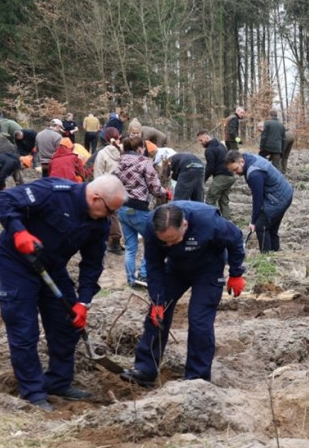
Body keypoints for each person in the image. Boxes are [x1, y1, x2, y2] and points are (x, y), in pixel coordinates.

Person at [0, 175, 127, 411]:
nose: (111, 216)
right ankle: (33, 392)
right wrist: (18, 232)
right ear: (96, 199)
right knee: (24, 327)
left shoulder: (100, 223)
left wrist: (83, 302)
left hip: (53, 268)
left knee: (66, 323)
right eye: (110, 210)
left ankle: (58, 382)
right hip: (18, 263)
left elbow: (92, 265)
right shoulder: (52, 192)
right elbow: (2, 200)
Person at [120, 202, 245, 387]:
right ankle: (145, 369)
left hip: (208, 269)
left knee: (199, 320)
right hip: (176, 268)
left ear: (184, 225)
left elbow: (235, 238)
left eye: (173, 239)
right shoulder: (152, 225)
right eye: (165, 242)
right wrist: (157, 300)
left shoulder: (209, 222)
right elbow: (154, 264)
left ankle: (197, 378)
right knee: (157, 315)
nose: (169, 244)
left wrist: (236, 273)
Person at [114, 136, 170, 287]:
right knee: (153, 240)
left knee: (130, 247)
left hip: (122, 208)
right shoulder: (144, 162)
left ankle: (131, 279)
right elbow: (154, 186)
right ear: (140, 149)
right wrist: (166, 194)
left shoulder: (119, 162)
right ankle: (144, 275)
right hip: (138, 208)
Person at [224, 151, 293, 252]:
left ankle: (266, 256)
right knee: (271, 228)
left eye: (235, 169)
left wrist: (253, 221)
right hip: (285, 192)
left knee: (261, 227)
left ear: (241, 161)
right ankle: (275, 254)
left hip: (279, 199)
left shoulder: (254, 174)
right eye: (232, 171)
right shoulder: (248, 157)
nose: (235, 173)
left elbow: (258, 199)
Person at [94, 129, 124, 254]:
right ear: (118, 137)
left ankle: (114, 241)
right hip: (122, 187)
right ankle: (116, 240)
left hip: (107, 187)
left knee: (109, 214)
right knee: (117, 215)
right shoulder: (124, 151)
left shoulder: (102, 153)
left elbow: (98, 174)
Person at [198, 129, 234, 220]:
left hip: (221, 177)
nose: (200, 143)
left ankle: (211, 221)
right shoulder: (221, 145)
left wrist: (203, 180)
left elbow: (210, 167)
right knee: (223, 201)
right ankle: (227, 221)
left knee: (210, 200)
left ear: (207, 138)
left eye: (201, 140)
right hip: (230, 175)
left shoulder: (209, 150)